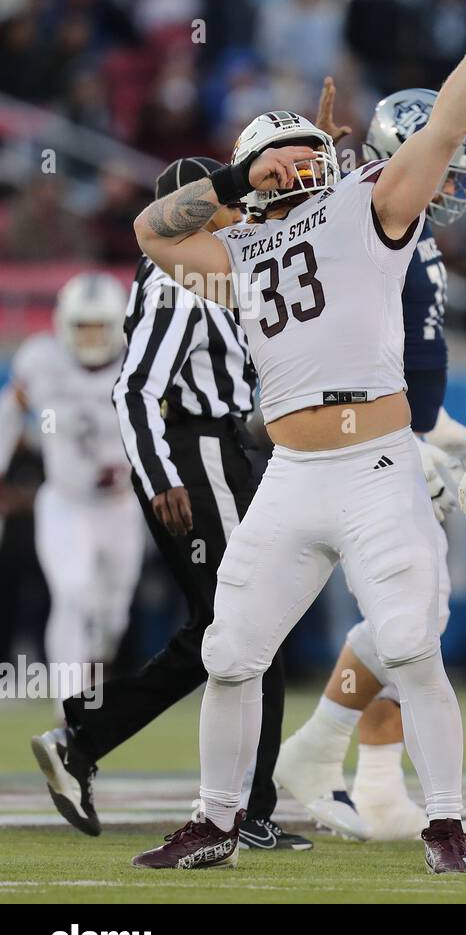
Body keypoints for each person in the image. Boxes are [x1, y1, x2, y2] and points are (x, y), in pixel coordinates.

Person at [127, 0, 466, 874]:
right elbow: (152, 231)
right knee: (230, 654)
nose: (299, 164)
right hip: (295, 474)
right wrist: (235, 184)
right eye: (281, 158)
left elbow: (444, 132)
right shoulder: (235, 251)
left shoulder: (370, 206)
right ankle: (216, 820)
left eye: (311, 150)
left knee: (415, 645)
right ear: (249, 174)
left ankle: (447, 823)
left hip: (377, 464)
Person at [29, 159, 308, 850]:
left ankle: (97, 740)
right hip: (195, 453)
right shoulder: (179, 279)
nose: (238, 214)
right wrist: (159, 475)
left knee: (242, 627)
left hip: (217, 450)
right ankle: (241, 802)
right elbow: (136, 387)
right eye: (225, 202)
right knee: (242, 623)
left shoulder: (210, 265)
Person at [273, 82, 466, 842]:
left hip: (401, 433)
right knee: (411, 617)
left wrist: (442, 430)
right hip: (367, 442)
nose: (456, 183)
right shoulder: (372, 219)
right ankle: (330, 759)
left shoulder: (412, 224)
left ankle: (355, 767)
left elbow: (414, 349)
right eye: (444, 164)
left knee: (413, 616)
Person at [0, 274, 143, 719]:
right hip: (66, 501)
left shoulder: (140, 360)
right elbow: (11, 409)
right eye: (82, 326)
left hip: (122, 506)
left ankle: (94, 674)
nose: (91, 337)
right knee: (72, 592)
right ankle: (70, 707)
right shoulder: (41, 361)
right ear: (64, 324)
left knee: (112, 617)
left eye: (100, 326)